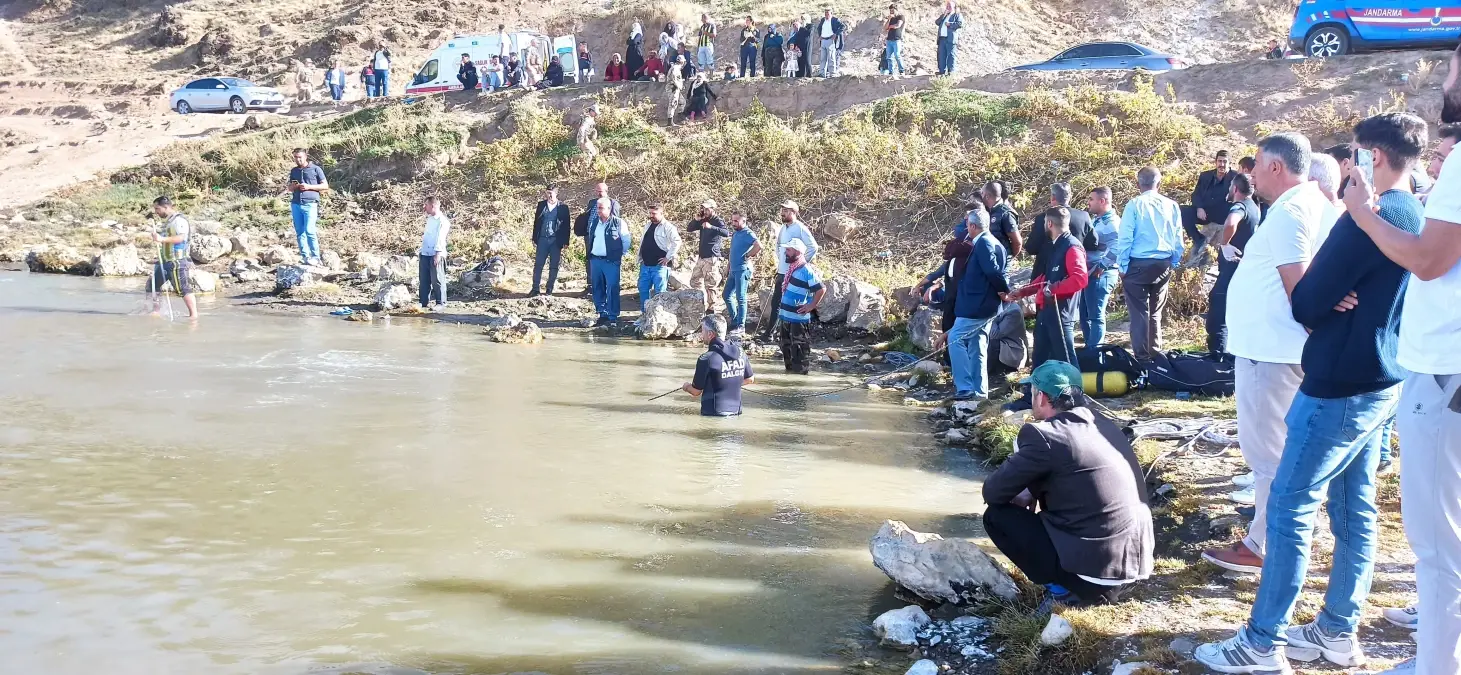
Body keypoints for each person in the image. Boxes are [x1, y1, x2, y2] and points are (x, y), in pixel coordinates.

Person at [1195, 112, 1427, 675]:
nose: (1344, 170)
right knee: (1355, 509)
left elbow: (1307, 301)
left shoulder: (1362, 218)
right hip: (1378, 379)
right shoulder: (1407, 212)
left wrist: (1327, 284)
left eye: (1351, 157)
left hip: (1337, 385)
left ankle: (1261, 642)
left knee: (1292, 506)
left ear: (1370, 158)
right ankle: (1335, 632)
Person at [1342, 46, 1461, 675]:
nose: (1445, 78)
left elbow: (1428, 260)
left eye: (1452, 68)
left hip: (1444, 372)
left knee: (1439, 543)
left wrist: (1361, 213)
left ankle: (1438, 665)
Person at [1200, 132, 1336, 575]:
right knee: (1288, 449)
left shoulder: (1291, 211)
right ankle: (1290, 528)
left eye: (1256, 164)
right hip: (1283, 348)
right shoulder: (1316, 205)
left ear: (1276, 166)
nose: (1250, 172)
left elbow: (1302, 290)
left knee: (1268, 453)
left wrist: (1321, 318)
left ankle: (1263, 544)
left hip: (1271, 351)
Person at [981, 360, 1153, 609]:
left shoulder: (1044, 435)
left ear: (1041, 397)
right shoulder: (1104, 424)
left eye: (1031, 392)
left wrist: (1024, 491)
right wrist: (1032, 488)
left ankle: (1064, 592)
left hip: (1094, 577)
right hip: (1134, 566)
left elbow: (993, 492)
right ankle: (1084, 584)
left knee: (997, 517)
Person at [1114, 166, 1183, 361]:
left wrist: (1122, 266)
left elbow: (1125, 238)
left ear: (1138, 184)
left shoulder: (1134, 205)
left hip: (1138, 263)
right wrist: (1174, 261)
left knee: (1139, 312)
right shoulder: (1172, 205)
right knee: (1155, 312)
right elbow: (1178, 237)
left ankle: (1142, 357)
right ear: (1159, 184)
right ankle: (1156, 353)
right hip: (1163, 262)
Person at [1007, 207, 1089, 369]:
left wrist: (1054, 289)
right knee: (1039, 358)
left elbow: (1080, 278)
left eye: (1044, 222)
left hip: (1061, 313)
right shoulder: (1054, 245)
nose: (1044, 224)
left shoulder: (1072, 246)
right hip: (1045, 311)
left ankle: (1074, 393)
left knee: (1066, 360)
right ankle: (1034, 393)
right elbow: (1046, 278)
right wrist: (1023, 292)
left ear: (1049, 223)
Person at [948, 207, 1010, 400]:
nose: (966, 228)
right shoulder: (994, 242)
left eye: (967, 224)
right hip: (983, 305)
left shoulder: (984, 243)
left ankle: (965, 387)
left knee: (955, 339)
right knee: (977, 346)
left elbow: (993, 272)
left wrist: (1004, 290)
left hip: (977, 306)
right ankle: (979, 391)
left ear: (973, 225)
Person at [1204, 173, 1260, 356]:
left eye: (1230, 187)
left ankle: (1217, 359)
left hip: (1232, 269)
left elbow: (1231, 222)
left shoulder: (1240, 205)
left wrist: (1225, 244)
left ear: (1235, 189)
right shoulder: (1254, 207)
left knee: (1218, 316)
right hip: (1245, 270)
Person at [758, 201, 820, 339]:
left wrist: (799, 264)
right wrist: (781, 260)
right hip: (781, 272)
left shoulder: (800, 228)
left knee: (788, 304)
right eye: (782, 210)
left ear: (793, 212)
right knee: (776, 304)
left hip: (793, 273)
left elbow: (813, 247)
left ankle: (783, 334)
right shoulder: (783, 228)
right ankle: (770, 334)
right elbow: (779, 245)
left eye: (786, 210)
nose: (782, 213)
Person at [682, 315, 755, 416]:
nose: (701, 334)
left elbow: (696, 391)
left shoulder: (706, 359)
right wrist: (729, 382)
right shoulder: (740, 351)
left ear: (710, 334)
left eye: (702, 330)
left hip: (714, 415)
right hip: (736, 413)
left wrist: (686, 386)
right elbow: (750, 379)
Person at [1081, 187, 1120, 355]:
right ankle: (1089, 351)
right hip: (1089, 273)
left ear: (1102, 201)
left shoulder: (1111, 223)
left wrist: (1102, 266)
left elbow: (1118, 247)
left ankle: (1095, 354)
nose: (1088, 202)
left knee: (1095, 316)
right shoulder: (1097, 220)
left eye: (1091, 199)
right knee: (1084, 314)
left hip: (1102, 274)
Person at [1026, 183, 1097, 276]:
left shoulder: (1043, 218)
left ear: (1052, 197)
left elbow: (1031, 248)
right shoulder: (1083, 216)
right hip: (1072, 272)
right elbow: (1093, 244)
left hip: (1044, 274)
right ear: (1070, 197)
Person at [777, 238, 825, 374]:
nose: (786, 252)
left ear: (797, 252)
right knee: (786, 348)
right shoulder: (792, 268)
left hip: (799, 319)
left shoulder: (805, 270)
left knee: (800, 351)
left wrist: (811, 306)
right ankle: (790, 381)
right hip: (785, 317)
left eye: (789, 250)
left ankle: (800, 386)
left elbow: (821, 289)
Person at [148, 196, 198, 320]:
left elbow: (181, 238)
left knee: (183, 288)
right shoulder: (169, 221)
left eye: (157, 208)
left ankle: (193, 315)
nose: (156, 212)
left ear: (166, 207)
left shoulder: (179, 220)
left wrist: (161, 239)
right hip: (165, 260)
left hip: (177, 261)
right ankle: (156, 311)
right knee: (152, 285)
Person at [587, 198, 632, 325]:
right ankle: (602, 313)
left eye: (601, 208)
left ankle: (613, 316)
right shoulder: (594, 222)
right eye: (597, 208)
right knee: (597, 287)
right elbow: (592, 238)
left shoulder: (619, 223)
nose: (598, 211)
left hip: (611, 261)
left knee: (612, 287)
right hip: (596, 260)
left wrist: (619, 254)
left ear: (609, 209)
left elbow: (626, 240)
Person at [1187, 149, 1236, 258]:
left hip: (1224, 220)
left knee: (1214, 256)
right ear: (1215, 162)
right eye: (1219, 161)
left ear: (1230, 163)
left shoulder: (1236, 178)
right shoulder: (1206, 176)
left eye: (1225, 162)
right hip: (1206, 216)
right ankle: (1198, 238)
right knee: (1183, 211)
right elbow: (1196, 194)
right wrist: (1199, 208)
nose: (1222, 164)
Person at [723, 211, 762, 337]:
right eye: (732, 220)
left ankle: (741, 326)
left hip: (743, 269)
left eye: (736, 221)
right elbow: (732, 251)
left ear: (743, 221)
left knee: (741, 297)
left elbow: (758, 245)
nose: (733, 223)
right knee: (726, 295)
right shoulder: (735, 234)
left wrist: (748, 255)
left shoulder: (748, 233)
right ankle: (735, 320)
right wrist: (727, 267)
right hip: (733, 270)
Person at [286, 148, 328, 266]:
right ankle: (305, 257)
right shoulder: (294, 171)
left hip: (310, 203)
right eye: (295, 157)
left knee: (310, 230)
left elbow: (325, 185)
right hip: (296, 204)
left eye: (299, 157)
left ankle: (316, 257)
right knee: (300, 232)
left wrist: (309, 187)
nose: (297, 159)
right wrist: (292, 187)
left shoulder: (316, 169)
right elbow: (290, 187)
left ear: (305, 156)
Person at [638, 203, 682, 311]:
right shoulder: (648, 225)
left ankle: (660, 315)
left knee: (660, 292)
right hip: (645, 265)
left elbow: (677, 241)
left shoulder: (668, 227)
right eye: (650, 213)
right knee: (643, 289)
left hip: (660, 266)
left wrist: (668, 257)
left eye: (654, 213)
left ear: (661, 213)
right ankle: (645, 314)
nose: (651, 215)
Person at [688, 200, 730, 311]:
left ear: (713, 208)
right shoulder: (703, 219)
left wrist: (711, 227)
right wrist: (696, 220)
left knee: (710, 284)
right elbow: (689, 229)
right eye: (703, 209)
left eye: (707, 209)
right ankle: (700, 303)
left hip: (712, 257)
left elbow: (726, 233)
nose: (705, 211)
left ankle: (712, 308)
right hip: (701, 256)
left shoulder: (717, 220)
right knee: (695, 280)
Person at [580, 182, 621, 295]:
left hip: (605, 238)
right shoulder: (592, 202)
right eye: (597, 191)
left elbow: (616, 222)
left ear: (606, 191)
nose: (598, 193)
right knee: (590, 259)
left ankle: (605, 286)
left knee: (605, 260)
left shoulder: (613, 203)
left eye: (601, 191)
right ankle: (591, 286)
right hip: (590, 236)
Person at [530, 184, 571, 296]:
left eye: (551, 193)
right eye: (547, 193)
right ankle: (535, 289)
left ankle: (549, 289)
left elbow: (567, 225)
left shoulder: (563, 207)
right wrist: (534, 238)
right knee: (538, 265)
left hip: (555, 241)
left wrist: (566, 241)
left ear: (556, 193)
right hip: (542, 239)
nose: (549, 195)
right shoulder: (541, 205)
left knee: (553, 266)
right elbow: (536, 223)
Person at [418, 196, 451, 311]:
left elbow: (440, 238)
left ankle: (441, 302)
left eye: (426, 205)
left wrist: (437, 254)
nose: (424, 207)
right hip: (425, 253)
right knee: (424, 279)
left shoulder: (443, 221)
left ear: (433, 206)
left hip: (436, 254)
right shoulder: (430, 219)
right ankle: (423, 302)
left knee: (437, 279)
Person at [982, 180, 1022, 257]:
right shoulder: (987, 211)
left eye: (982, 193)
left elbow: (1017, 242)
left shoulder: (1006, 214)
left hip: (1002, 261)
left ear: (987, 196)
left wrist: (1007, 259)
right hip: (990, 259)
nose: (981, 196)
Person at [934, 0, 963, 76]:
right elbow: (937, 22)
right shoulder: (944, 15)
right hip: (942, 38)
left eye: (949, 6)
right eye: (947, 6)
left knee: (951, 55)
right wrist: (943, 14)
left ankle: (951, 72)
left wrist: (950, 24)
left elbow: (960, 24)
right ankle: (941, 71)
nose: (948, 7)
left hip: (950, 38)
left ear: (954, 7)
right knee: (941, 55)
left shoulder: (957, 15)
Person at [816, 8, 845, 78]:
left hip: (830, 40)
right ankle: (822, 73)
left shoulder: (835, 20)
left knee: (831, 57)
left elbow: (843, 26)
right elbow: (819, 28)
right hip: (823, 40)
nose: (826, 15)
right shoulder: (823, 20)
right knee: (823, 58)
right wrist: (820, 36)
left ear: (831, 14)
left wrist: (835, 34)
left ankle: (832, 73)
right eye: (825, 13)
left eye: (828, 13)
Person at [883, 4, 906, 76]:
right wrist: (889, 20)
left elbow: (897, 25)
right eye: (890, 11)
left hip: (897, 39)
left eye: (892, 10)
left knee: (897, 55)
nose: (891, 12)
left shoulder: (900, 17)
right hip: (889, 39)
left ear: (896, 10)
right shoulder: (891, 18)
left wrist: (891, 26)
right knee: (889, 57)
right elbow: (885, 28)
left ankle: (902, 71)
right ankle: (891, 72)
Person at [664, 55, 686, 125]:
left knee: (682, 102)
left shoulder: (676, 68)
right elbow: (674, 78)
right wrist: (679, 86)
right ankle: (670, 121)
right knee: (673, 103)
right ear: (682, 62)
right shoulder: (675, 68)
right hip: (673, 88)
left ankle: (680, 116)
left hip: (676, 88)